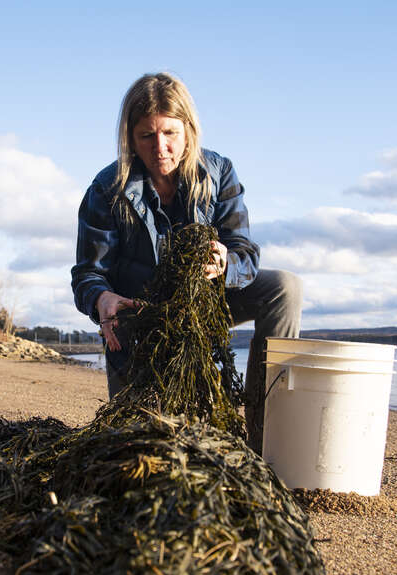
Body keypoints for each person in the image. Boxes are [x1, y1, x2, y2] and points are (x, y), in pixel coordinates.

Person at [71, 72, 302, 454]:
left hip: (205, 304)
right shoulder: (107, 188)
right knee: (139, 448)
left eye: (170, 133)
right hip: (138, 317)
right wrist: (101, 298)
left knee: (284, 288)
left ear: (189, 131)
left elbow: (244, 251)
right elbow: (88, 273)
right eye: (146, 136)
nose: (159, 147)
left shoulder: (218, 173)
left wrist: (226, 263)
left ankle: (266, 436)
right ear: (130, 138)